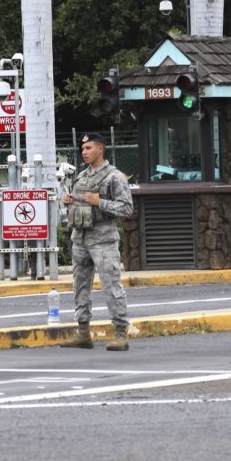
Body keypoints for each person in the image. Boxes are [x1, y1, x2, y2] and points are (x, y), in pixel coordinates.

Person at [61, 132, 134, 351]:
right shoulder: (81, 176)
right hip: (80, 238)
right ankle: (83, 333)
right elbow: (80, 204)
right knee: (79, 286)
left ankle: (121, 333)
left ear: (100, 149)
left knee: (111, 285)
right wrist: (70, 201)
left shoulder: (114, 176)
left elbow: (127, 208)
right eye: (83, 149)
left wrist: (100, 202)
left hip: (103, 240)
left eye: (89, 148)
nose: (84, 152)